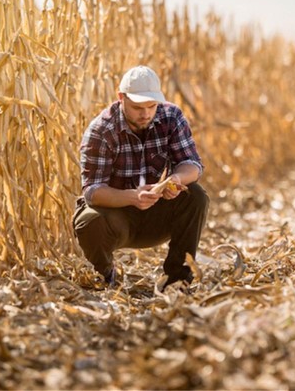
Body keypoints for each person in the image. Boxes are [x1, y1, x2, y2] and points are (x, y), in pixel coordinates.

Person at [72, 65, 209, 289]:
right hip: (116, 216)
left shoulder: (171, 116)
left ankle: (178, 279)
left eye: (151, 106)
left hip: (155, 213)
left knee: (195, 195)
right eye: (137, 107)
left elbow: (193, 165)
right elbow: (93, 192)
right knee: (88, 220)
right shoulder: (101, 130)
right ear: (121, 98)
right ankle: (104, 275)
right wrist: (133, 196)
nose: (145, 114)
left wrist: (175, 180)